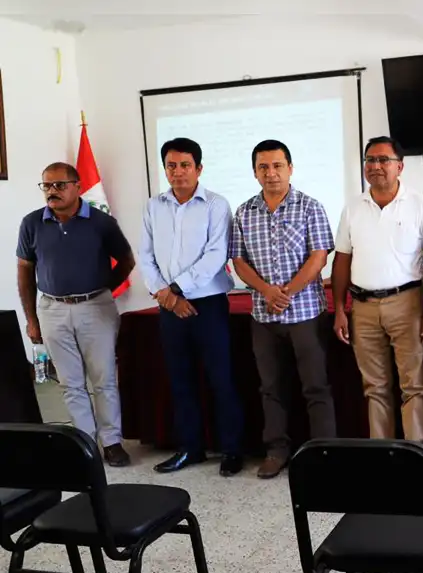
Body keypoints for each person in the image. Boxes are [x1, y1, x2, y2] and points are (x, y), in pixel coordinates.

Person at [229, 139, 336, 479]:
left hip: (305, 314)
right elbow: (238, 260)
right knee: (270, 387)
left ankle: (324, 454)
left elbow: (319, 256)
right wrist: (266, 291)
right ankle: (276, 451)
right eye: (263, 167)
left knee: (315, 386)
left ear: (290, 168)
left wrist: (287, 292)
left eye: (277, 165)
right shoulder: (244, 212)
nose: (271, 173)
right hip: (264, 316)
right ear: (255, 173)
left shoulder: (310, 206)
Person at [16, 162, 135, 466]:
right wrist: (31, 319)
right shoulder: (31, 223)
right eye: (46, 186)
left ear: (78, 187)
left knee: (104, 379)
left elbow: (126, 261)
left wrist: (102, 289)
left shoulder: (101, 222)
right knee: (70, 383)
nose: (52, 191)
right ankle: (86, 445)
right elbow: (25, 271)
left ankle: (112, 442)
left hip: (96, 307)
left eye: (59, 185)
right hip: (52, 309)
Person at [138, 138, 244, 476]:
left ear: (199, 168)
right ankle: (191, 448)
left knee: (220, 379)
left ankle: (232, 450)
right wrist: (166, 296)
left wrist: (176, 289)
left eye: (185, 165)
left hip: (208, 304)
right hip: (169, 306)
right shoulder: (154, 206)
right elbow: (145, 256)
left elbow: (216, 255)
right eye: (171, 166)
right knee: (180, 379)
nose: (178, 172)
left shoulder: (216, 205)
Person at [333, 136, 423, 443]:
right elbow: (342, 260)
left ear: (399, 167)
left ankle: (416, 454)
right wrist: (339, 309)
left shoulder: (419, 205)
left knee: (414, 385)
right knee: (374, 387)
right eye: (370, 160)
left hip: (408, 304)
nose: (375, 166)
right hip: (363, 308)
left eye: (383, 160)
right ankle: (383, 454)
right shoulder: (353, 207)